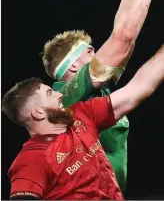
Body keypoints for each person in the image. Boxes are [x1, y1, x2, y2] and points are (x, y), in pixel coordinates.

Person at [42, 0, 164, 192]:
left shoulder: (94, 93)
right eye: (90, 52)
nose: (99, 55)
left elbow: (127, 47)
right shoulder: (65, 97)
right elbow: (121, 40)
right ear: (73, 68)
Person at [2, 45, 164, 200]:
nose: (59, 95)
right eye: (50, 93)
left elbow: (141, 85)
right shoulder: (32, 160)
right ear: (37, 112)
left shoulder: (81, 115)